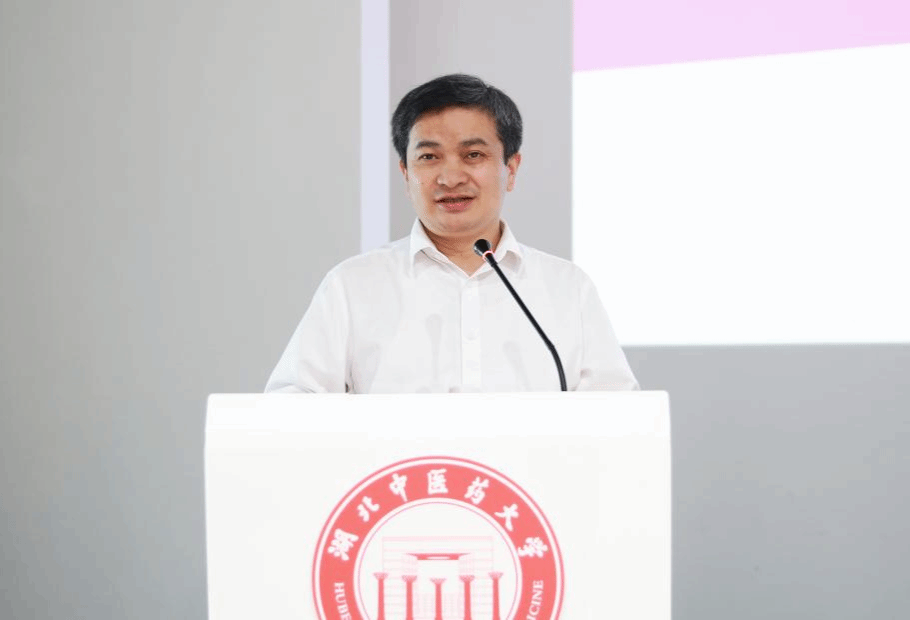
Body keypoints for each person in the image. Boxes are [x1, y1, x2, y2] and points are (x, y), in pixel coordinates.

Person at [265, 74, 637, 393]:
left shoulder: (568, 289)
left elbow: (620, 417)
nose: (450, 177)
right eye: (429, 157)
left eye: (473, 155)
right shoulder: (351, 286)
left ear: (511, 168)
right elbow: (292, 407)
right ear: (406, 173)